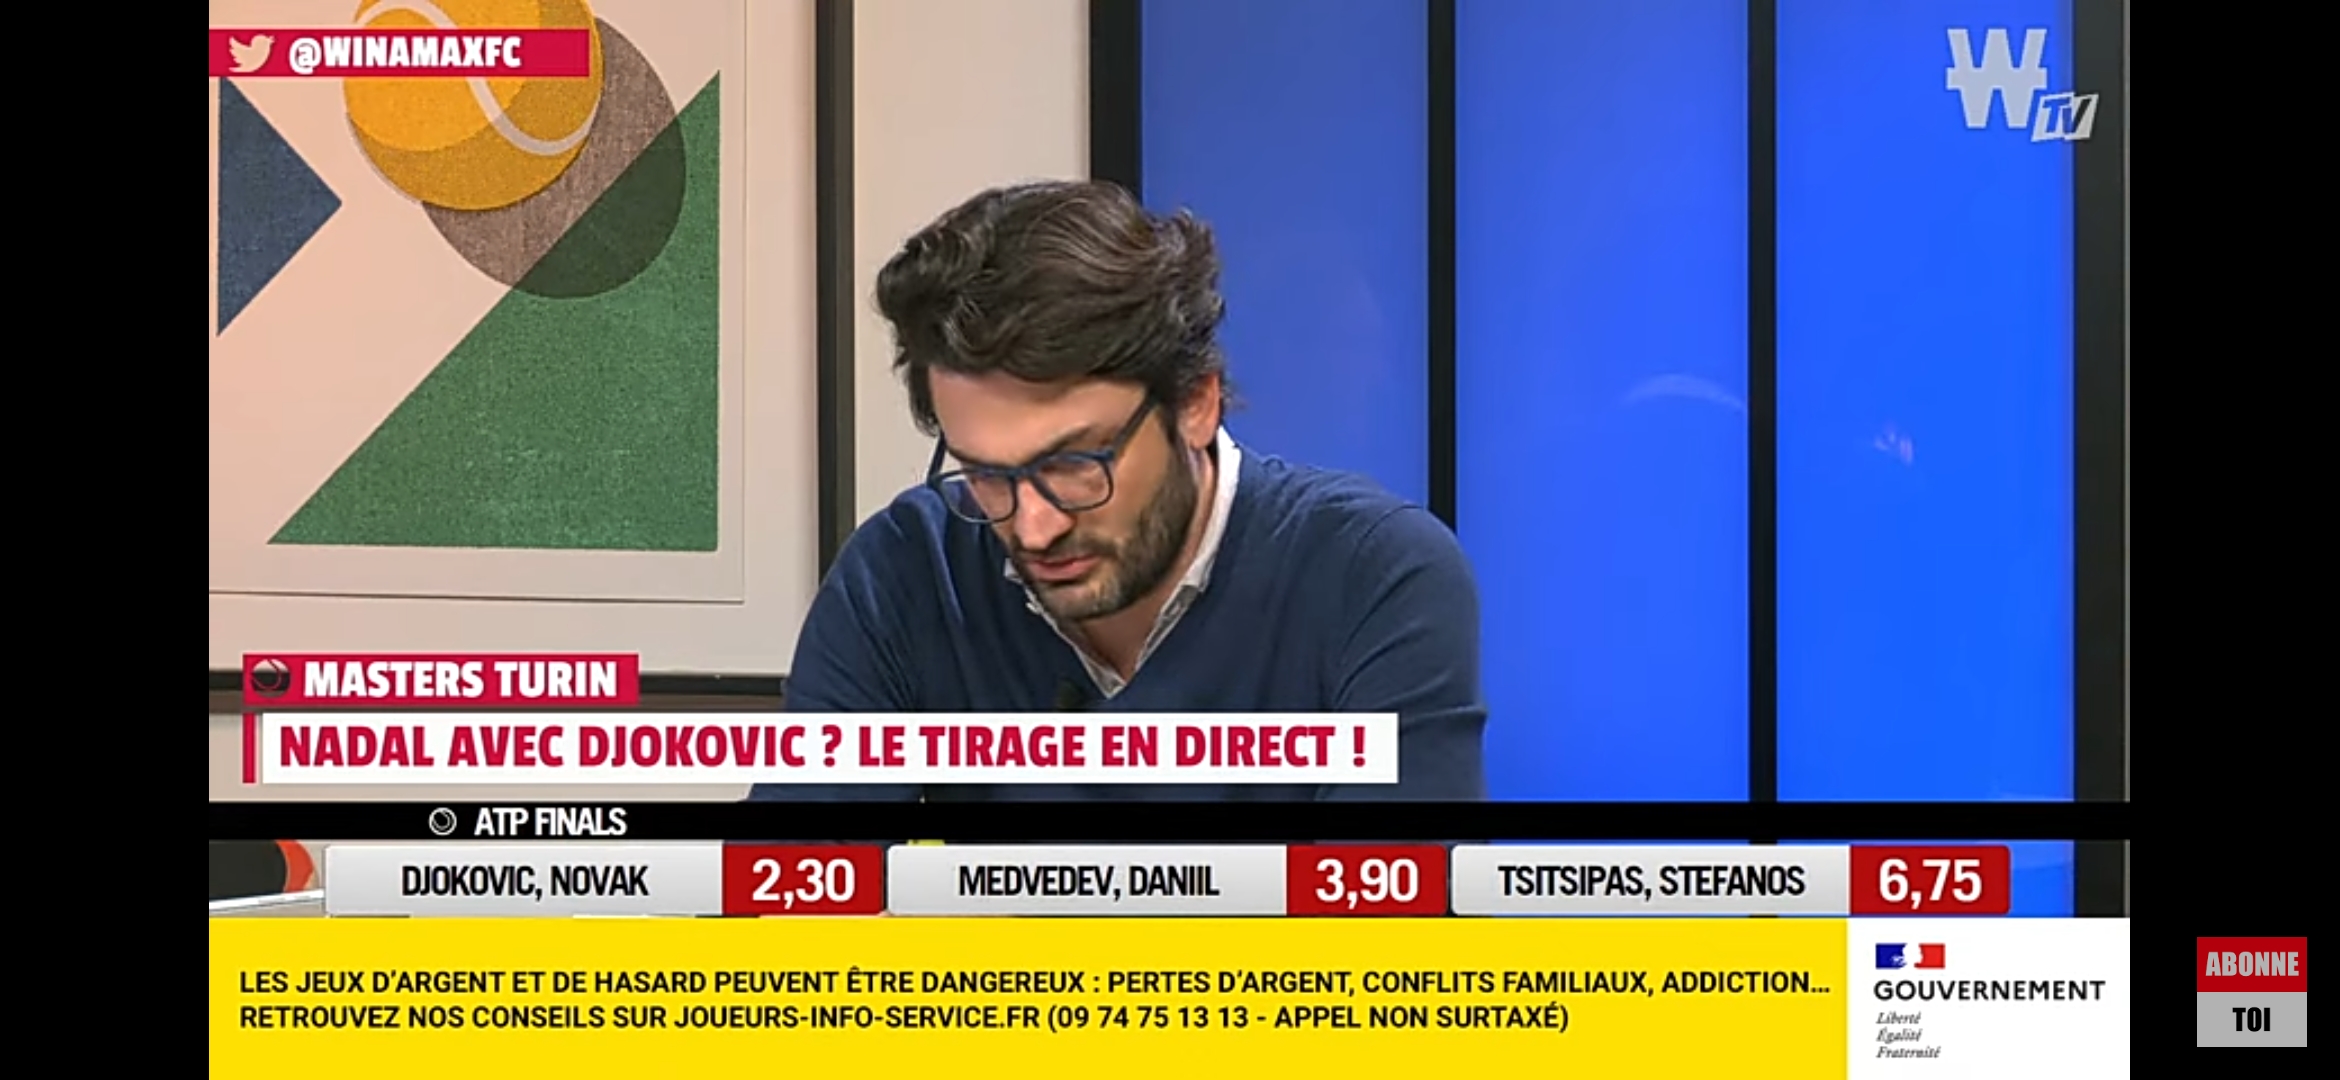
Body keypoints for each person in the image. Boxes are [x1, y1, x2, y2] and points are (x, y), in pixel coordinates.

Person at [750, 180, 1484, 803]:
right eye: (987, 475)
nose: (1033, 528)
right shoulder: (907, 572)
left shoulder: (1369, 575)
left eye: (1075, 463)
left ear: (1195, 402)